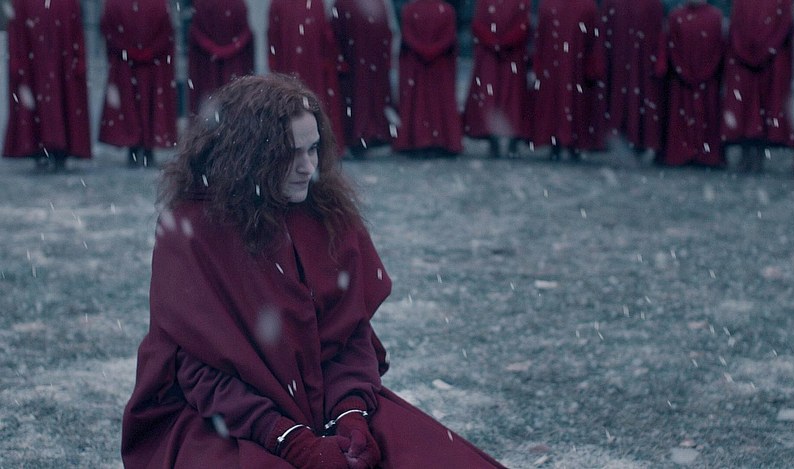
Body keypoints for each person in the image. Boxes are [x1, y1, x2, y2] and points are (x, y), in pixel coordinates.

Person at [120, 73, 506, 468]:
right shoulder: (196, 229)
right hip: (227, 420)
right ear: (248, 157)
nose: (308, 167)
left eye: (314, 149)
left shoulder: (325, 214)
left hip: (328, 405)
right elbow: (196, 369)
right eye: (290, 154)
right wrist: (288, 439)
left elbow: (349, 337)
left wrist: (351, 415)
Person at [3, 0, 91, 172]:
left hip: (42, 67)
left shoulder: (24, 4)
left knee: (46, 107)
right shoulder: (67, 4)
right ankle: (55, 149)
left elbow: (16, 36)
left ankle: (44, 148)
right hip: (54, 67)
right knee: (56, 104)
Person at [99, 0, 178, 168]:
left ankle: (133, 146)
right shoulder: (159, 5)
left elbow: (108, 31)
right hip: (152, 65)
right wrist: (148, 52)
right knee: (150, 103)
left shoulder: (114, 5)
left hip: (126, 64)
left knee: (129, 104)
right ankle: (148, 147)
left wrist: (128, 51)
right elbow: (166, 34)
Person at [720, 0, 793, 172]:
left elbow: (736, 29)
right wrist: (768, 49)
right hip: (769, 63)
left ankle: (749, 154)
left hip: (749, 63)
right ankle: (756, 154)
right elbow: (784, 28)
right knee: (761, 107)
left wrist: (744, 50)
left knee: (746, 108)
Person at [527, 0, 606, 160]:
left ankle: (555, 141)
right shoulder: (587, 6)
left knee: (553, 101)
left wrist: (537, 64)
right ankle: (572, 142)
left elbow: (540, 39)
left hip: (553, 66)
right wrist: (594, 66)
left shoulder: (548, 5)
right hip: (575, 65)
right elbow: (594, 40)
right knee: (574, 102)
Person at [268, 0, 347, 156]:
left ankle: (291, 144)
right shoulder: (314, 4)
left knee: (291, 104)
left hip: (290, 70)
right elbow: (326, 39)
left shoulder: (279, 4)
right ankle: (319, 145)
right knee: (313, 102)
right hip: (313, 69)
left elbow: (273, 40)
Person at [656, 0, 725, 168]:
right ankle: (702, 153)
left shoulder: (678, 17)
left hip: (687, 80)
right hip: (700, 81)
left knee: (688, 115)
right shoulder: (714, 17)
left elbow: (671, 48)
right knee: (701, 114)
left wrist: (683, 70)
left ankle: (685, 152)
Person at [462, 0, 531, 159]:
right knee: (512, 97)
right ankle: (510, 139)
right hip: (509, 54)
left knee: (492, 96)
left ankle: (495, 138)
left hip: (491, 54)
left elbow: (477, 25)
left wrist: (493, 42)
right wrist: (504, 42)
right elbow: (523, 26)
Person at [600, 0, 666, 163]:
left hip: (621, 62)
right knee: (640, 97)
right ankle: (637, 139)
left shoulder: (613, 4)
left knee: (623, 96)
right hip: (640, 63)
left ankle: (622, 134)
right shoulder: (652, 5)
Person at [394, 0, 463, 157]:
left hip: (416, 63)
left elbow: (407, 36)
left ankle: (416, 139)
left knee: (417, 102)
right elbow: (449, 37)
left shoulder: (409, 10)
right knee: (440, 101)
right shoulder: (447, 10)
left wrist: (422, 50)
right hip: (439, 64)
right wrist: (433, 50)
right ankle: (442, 139)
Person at [333, 0, 397, 158]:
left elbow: (335, 34)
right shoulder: (376, 5)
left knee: (358, 99)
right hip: (368, 63)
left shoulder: (345, 4)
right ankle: (371, 133)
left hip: (358, 63)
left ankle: (363, 134)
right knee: (367, 98)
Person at [187, 0, 255, 116]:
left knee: (206, 115)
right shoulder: (238, 5)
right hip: (234, 76)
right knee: (235, 111)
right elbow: (247, 38)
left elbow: (195, 35)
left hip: (206, 76)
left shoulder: (200, 5)